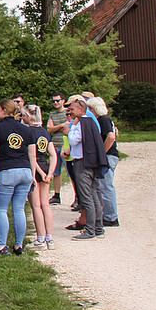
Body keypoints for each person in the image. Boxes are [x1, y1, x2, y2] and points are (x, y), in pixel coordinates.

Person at [0, 99, 38, 255]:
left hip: (7, 171)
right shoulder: (26, 129)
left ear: (4, 111)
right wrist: (33, 175)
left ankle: (1, 246)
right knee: (19, 208)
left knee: (1, 210)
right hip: (25, 171)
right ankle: (18, 245)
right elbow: (32, 155)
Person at [62, 95, 107, 241]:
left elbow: (75, 140)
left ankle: (90, 230)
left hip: (82, 163)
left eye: (72, 109)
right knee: (93, 195)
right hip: (92, 162)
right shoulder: (90, 122)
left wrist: (70, 130)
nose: (70, 112)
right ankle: (98, 227)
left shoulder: (81, 123)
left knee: (86, 196)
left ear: (81, 109)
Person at [24, 105, 57, 250]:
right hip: (45, 165)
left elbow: (32, 156)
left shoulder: (28, 132)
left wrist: (40, 173)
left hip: (35, 169)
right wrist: (49, 173)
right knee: (45, 204)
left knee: (36, 205)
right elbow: (53, 154)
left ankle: (40, 238)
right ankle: (50, 237)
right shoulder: (44, 132)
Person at [88, 96, 120, 227]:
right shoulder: (103, 120)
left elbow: (111, 136)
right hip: (107, 156)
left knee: (106, 186)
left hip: (108, 156)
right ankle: (105, 214)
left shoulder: (103, 120)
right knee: (102, 186)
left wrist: (102, 152)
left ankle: (111, 216)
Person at [46, 93, 70, 205]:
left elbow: (69, 126)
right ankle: (56, 194)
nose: (56, 103)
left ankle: (77, 196)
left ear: (63, 101)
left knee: (71, 172)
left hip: (66, 146)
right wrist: (61, 126)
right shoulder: (52, 115)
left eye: (58, 100)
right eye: (54, 101)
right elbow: (49, 129)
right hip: (55, 146)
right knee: (56, 172)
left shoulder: (68, 112)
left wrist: (57, 127)